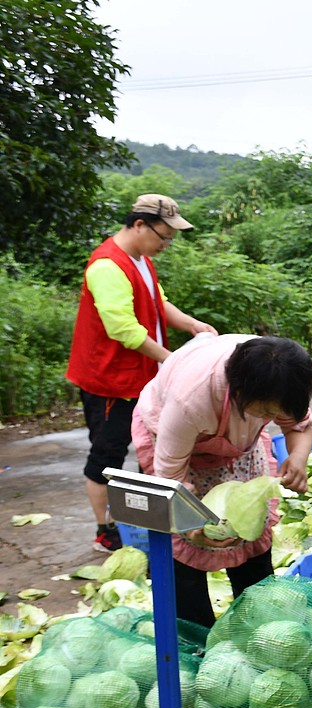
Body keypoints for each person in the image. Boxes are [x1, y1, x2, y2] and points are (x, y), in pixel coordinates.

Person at [66, 193, 218, 553]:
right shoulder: (107, 266)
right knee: (107, 455)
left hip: (144, 379)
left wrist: (192, 325)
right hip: (110, 381)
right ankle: (105, 530)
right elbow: (124, 329)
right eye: (164, 237)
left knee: (152, 447)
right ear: (139, 225)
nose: (166, 245)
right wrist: (172, 360)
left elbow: (157, 303)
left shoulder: (141, 260)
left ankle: (142, 518)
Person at [132, 334, 312, 627]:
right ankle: (195, 635)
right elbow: (171, 478)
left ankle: (258, 625)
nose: (273, 417)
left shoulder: (282, 375)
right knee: (184, 556)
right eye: (266, 412)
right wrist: (191, 527)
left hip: (236, 445)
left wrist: (297, 458)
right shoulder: (190, 400)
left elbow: (300, 424)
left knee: (251, 532)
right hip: (176, 447)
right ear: (239, 392)